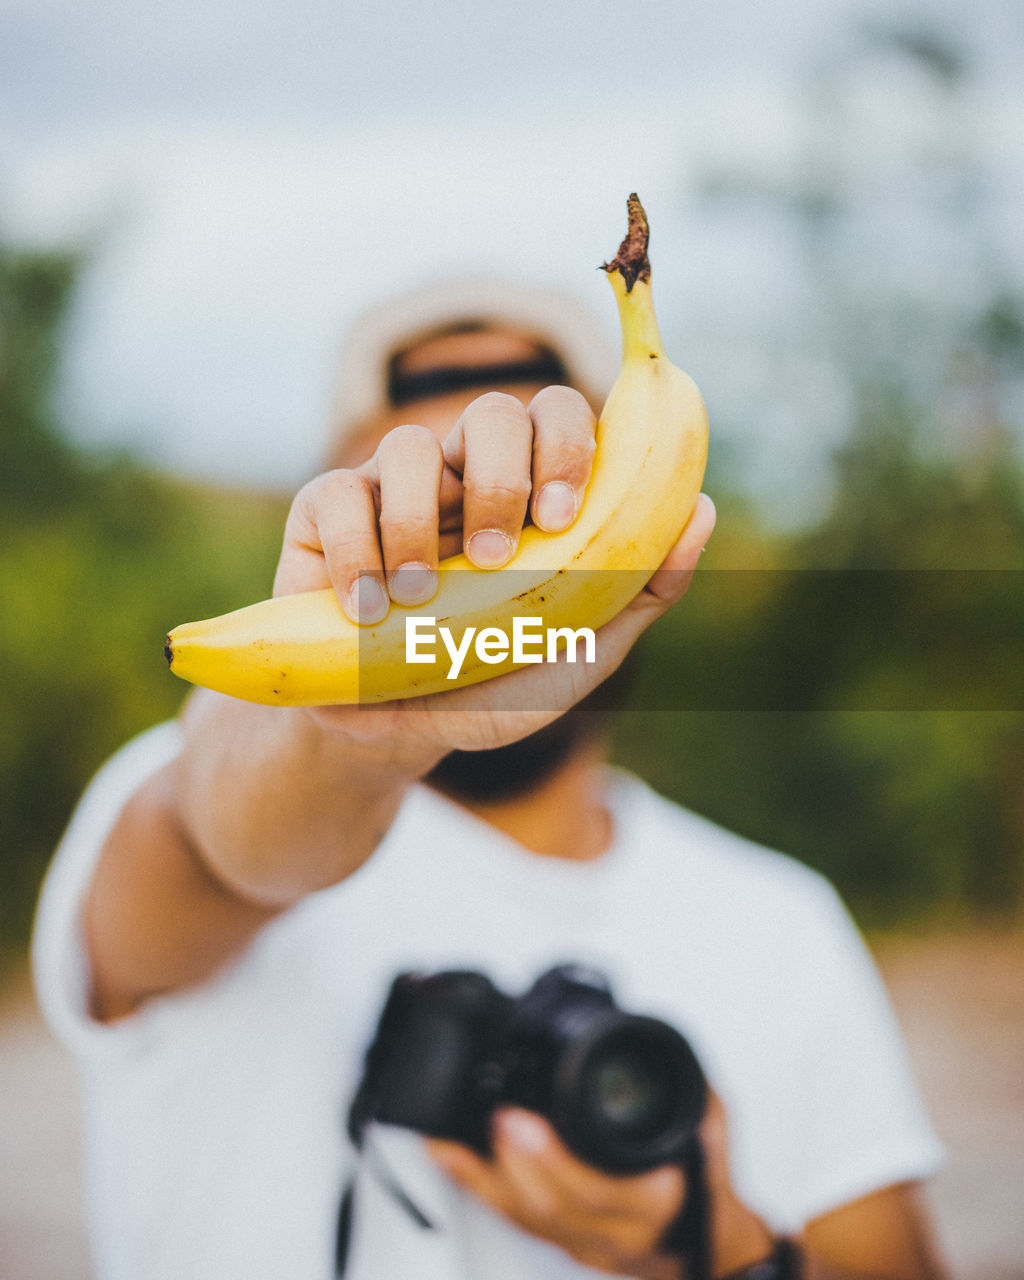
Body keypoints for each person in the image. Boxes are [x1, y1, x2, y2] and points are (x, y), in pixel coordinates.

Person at [33, 276, 948, 1280]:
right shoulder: (192, 797)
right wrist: (349, 736)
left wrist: (721, 1247)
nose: (476, 558)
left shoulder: (780, 920)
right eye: (418, 518)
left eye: (524, 523)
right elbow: (222, 838)